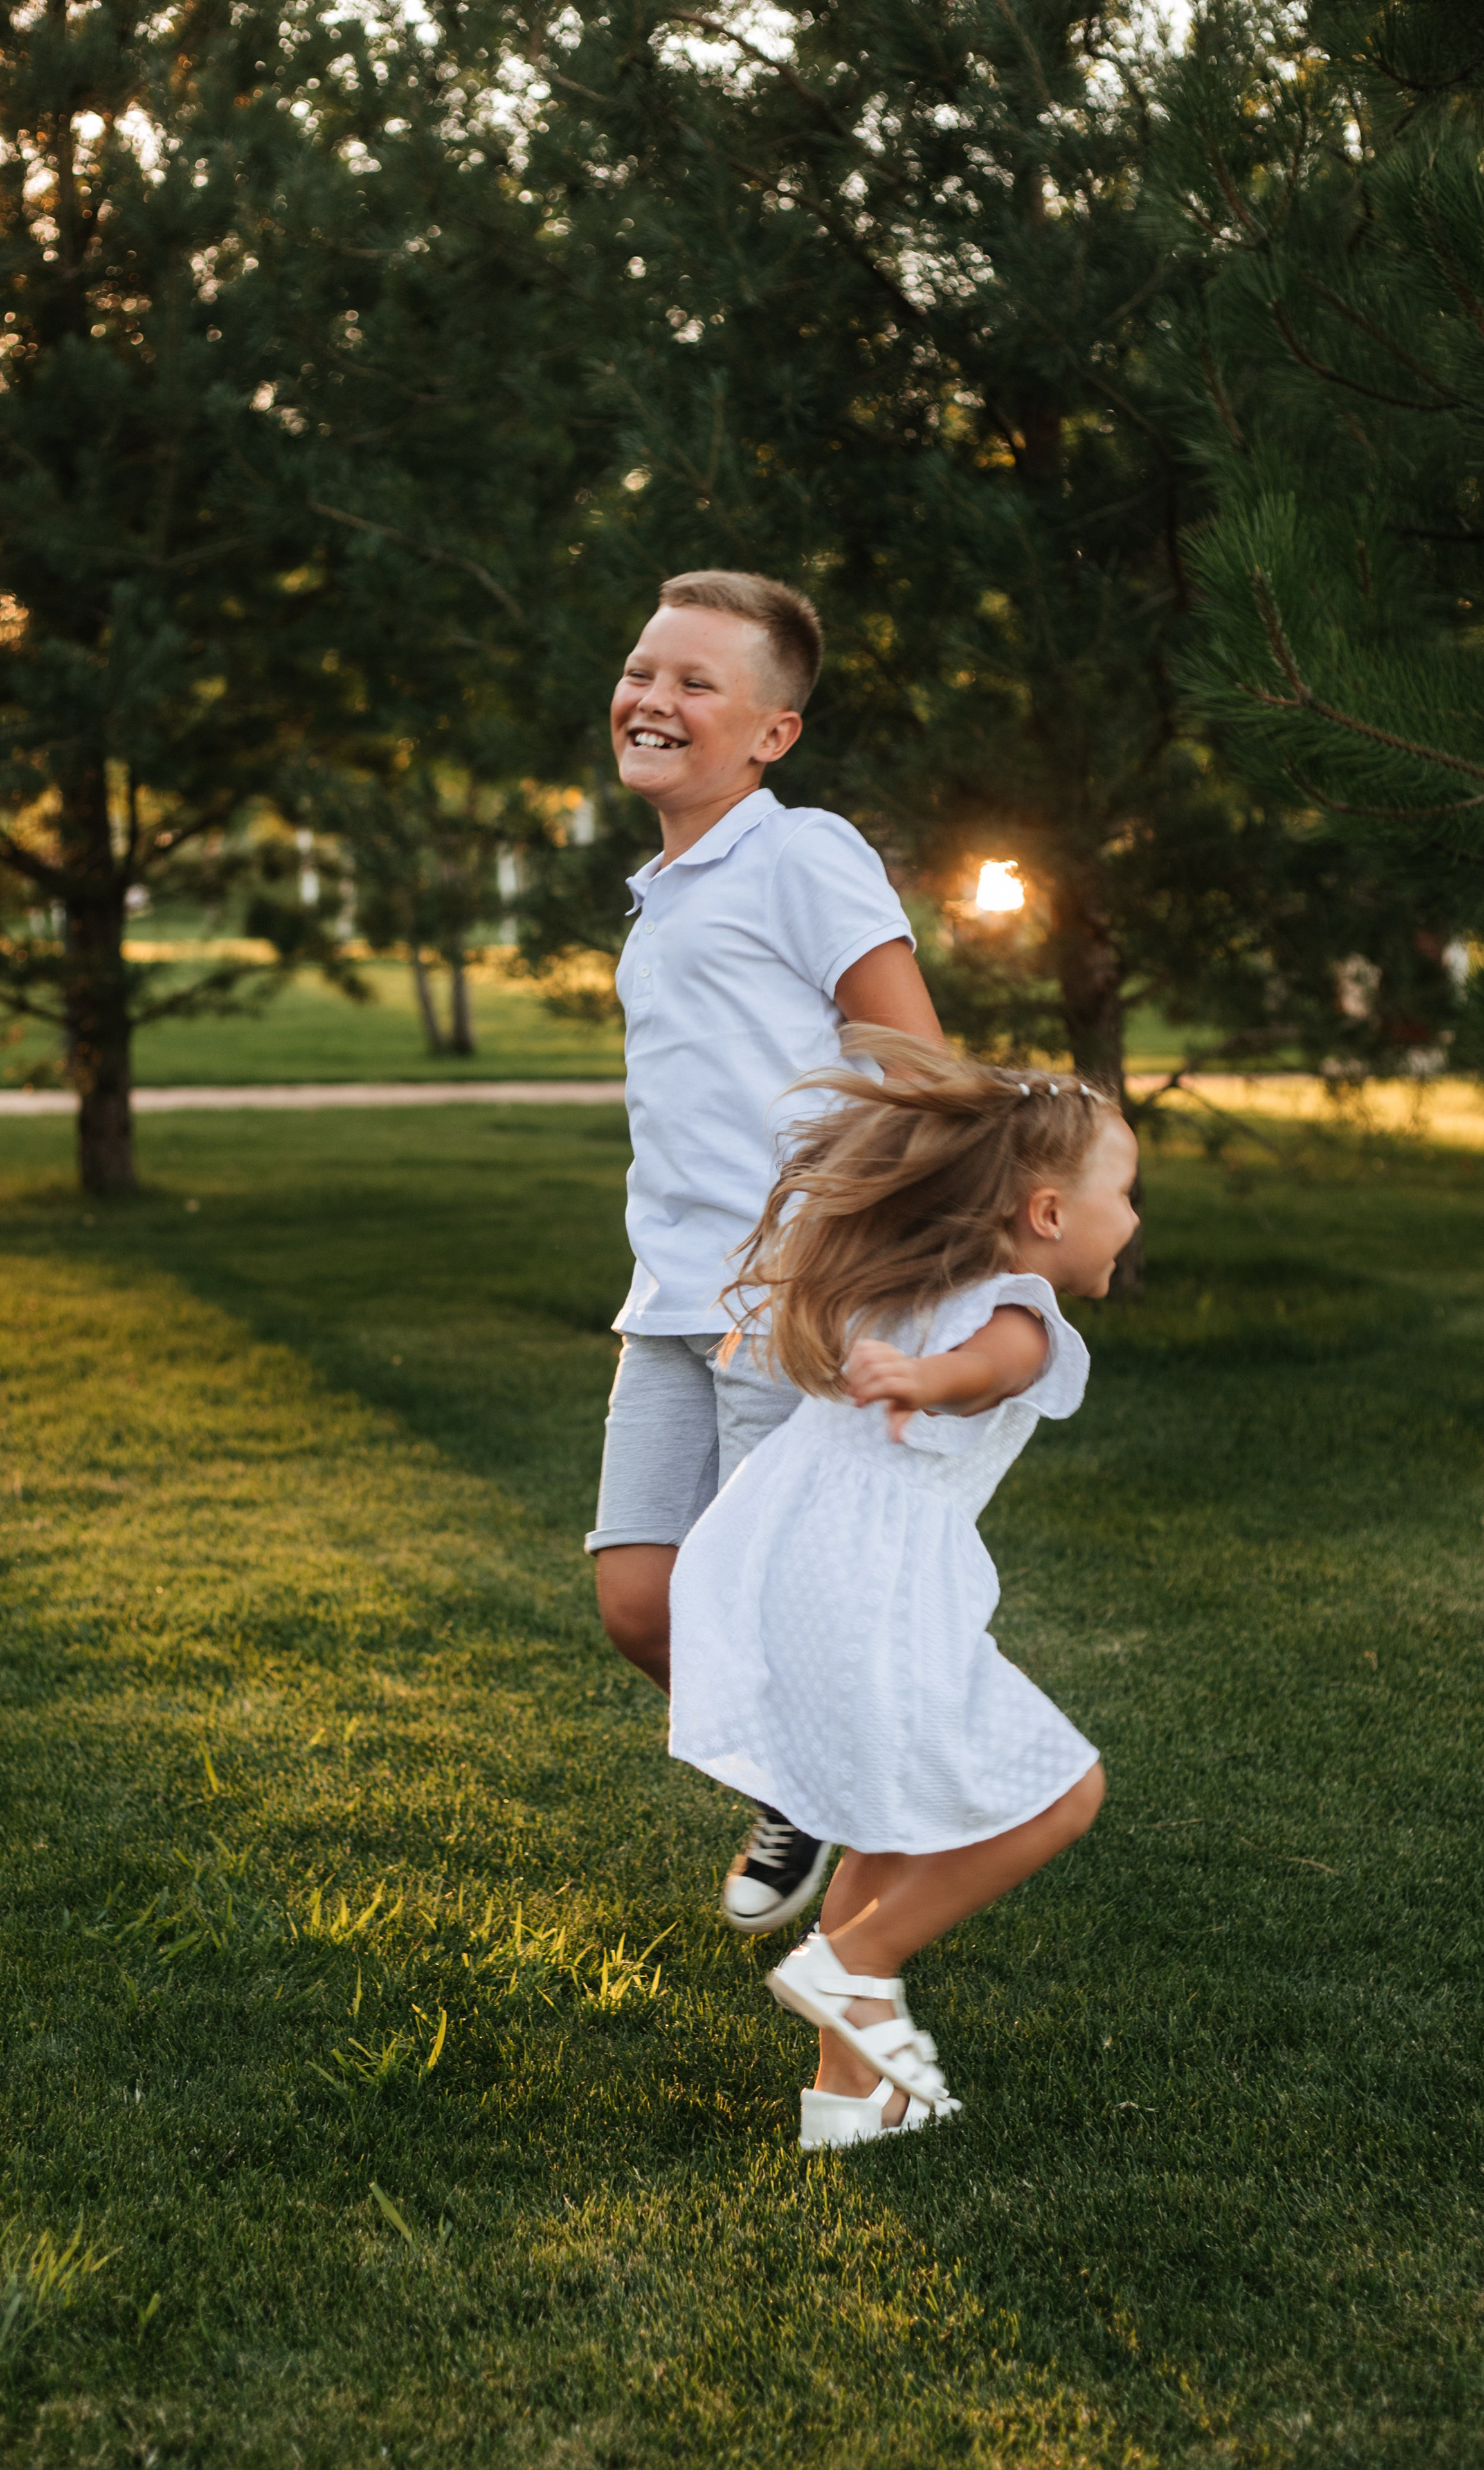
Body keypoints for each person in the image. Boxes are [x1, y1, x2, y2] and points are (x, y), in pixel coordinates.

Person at [668, 1035, 1137, 2148]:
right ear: (1049, 1214)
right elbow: (992, 1373)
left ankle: (848, 2100)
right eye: (1125, 1192)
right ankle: (855, 1964)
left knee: (878, 1824)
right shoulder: (1015, 1312)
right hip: (869, 1585)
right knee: (1066, 1792)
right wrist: (928, 1379)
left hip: (786, 1562)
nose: (1134, 1217)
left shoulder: (924, 1284)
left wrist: (910, 1364)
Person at [589, 568, 943, 1935]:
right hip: (666, 1297)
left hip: (783, 1296)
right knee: (639, 1600)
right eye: (640, 669)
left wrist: (849, 1259)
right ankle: (824, 1762)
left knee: (754, 1598)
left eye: (692, 682)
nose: (651, 699)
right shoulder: (666, 885)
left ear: (770, 734)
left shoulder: (799, 853)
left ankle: (833, 1796)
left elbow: (912, 1062)